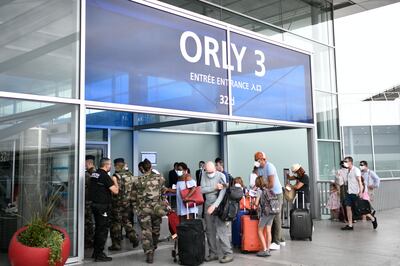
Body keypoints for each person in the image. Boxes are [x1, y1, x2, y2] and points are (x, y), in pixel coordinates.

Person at [131, 159, 168, 264]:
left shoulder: (137, 180)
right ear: (151, 167)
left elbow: (133, 197)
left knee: (146, 232)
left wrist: (136, 209)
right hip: (157, 209)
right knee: (156, 230)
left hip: (143, 210)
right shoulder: (159, 178)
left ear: (142, 168)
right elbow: (163, 190)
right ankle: (154, 245)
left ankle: (149, 253)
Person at [201, 161, 234, 263]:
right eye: (208, 172)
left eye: (211, 172)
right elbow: (202, 190)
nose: (210, 174)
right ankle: (213, 253)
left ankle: (228, 253)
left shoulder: (221, 176)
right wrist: (214, 187)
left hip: (219, 206)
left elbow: (223, 193)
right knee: (210, 231)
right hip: (207, 205)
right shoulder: (203, 174)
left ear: (215, 169)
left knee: (221, 229)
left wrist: (215, 206)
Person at [89, 158, 119, 262]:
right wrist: (115, 181)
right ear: (106, 165)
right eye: (110, 164)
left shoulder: (94, 174)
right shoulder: (105, 176)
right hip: (102, 207)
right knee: (102, 231)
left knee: (98, 229)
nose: (111, 166)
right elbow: (115, 191)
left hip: (95, 205)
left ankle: (95, 252)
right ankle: (99, 255)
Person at [254, 151, 284, 250]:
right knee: (270, 216)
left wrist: (261, 186)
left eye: (259, 160)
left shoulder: (270, 167)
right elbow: (259, 180)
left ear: (264, 159)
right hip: (267, 194)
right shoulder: (259, 169)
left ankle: (277, 242)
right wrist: (255, 188)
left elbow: (271, 184)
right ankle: (280, 238)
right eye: (256, 160)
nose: (258, 162)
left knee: (276, 215)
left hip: (276, 193)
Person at [108, 158, 139, 251]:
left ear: (116, 165)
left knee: (115, 224)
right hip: (128, 203)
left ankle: (116, 245)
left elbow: (115, 192)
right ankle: (134, 238)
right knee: (126, 221)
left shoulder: (115, 176)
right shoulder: (130, 175)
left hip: (117, 203)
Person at [254, 176, 276, 257]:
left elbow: (256, 204)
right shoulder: (269, 190)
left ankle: (264, 250)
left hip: (265, 213)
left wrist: (254, 202)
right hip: (273, 212)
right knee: (268, 231)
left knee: (259, 231)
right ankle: (268, 249)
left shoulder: (259, 191)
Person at [341, 156, 363, 231]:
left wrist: (360, 192)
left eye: (346, 161)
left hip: (355, 193)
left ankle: (373, 218)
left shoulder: (356, 170)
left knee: (361, 209)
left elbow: (360, 181)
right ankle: (350, 225)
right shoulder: (348, 171)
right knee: (348, 208)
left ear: (350, 162)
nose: (344, 163)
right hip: (349, 193)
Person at [85, 155, 96, 249]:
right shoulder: (89, 173)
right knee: (88, 222)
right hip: (88, 201)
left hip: (89, 202)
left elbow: (94, 184)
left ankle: (90, 241)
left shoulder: (93, 173)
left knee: (89, 222)